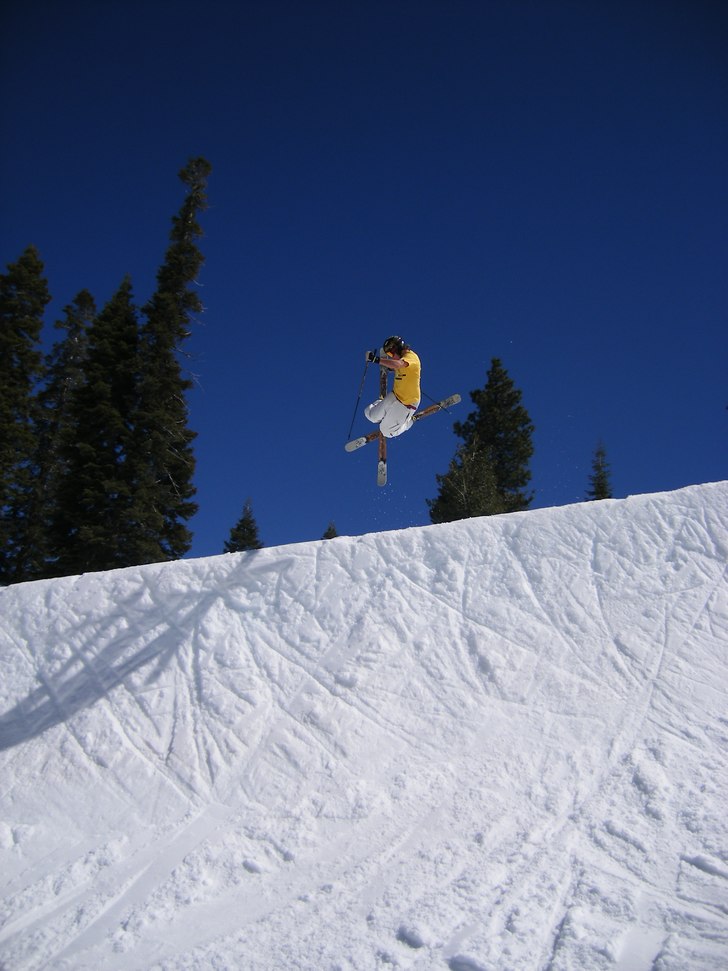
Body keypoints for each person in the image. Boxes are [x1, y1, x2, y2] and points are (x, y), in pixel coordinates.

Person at [364, 336, 421, 438]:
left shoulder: (411, 357)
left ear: (396, 349)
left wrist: (376, 359)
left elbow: (399, 364)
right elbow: (396, 366)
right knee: (369, 414)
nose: (391, 357)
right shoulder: (401, 360)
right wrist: (390, 367)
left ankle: (407, 423)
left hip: (406, 404)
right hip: (395, 396)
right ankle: (387, 416)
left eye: (391, 354)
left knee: (386, 432)